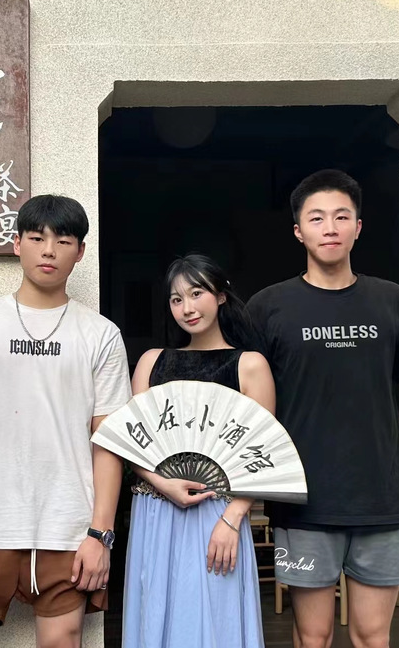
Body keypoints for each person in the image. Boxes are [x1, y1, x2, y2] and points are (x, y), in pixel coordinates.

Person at [0, 195, 131, 648]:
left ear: (81, 252)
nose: (49, 250)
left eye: (63, 241)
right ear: (17, 244)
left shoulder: (101, 335)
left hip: (67, 530)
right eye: (37, 238)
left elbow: (108, 440)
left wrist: (100, 534)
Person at [247, 169, 399, 648]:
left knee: (373, 635)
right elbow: (252, 402)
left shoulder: (396, 303)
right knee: (314, 635)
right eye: (317, 218)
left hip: (383, 503)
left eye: (341, 216)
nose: (330, 227)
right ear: (298, 231)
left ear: (358, 227)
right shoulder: (267, 308)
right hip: (303, 502)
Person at [123, 253, 275, 648]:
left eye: (196, 294)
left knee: (216, 615)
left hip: (218, 511)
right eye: (176, 299)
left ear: (221, 295)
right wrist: (162, 483)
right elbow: (132, 441)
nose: (187, 308)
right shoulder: (152, 362)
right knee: (156, 610)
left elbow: (260, 454)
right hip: (156, 508)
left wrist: (233, 518)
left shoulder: (250, 365)